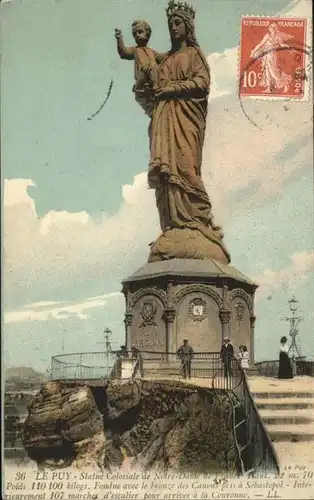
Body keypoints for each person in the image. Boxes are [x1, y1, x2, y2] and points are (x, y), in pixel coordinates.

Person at [145, 1, 229, 263]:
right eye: (170, 23)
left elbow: (202, 84)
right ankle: (173, 225)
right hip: (164, 122)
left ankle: (197, 222)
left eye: (178, 22)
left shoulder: (194, 55)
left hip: (186, 120)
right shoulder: (164, 59)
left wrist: (171, 90)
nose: (173, 27)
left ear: (188, 26)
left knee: (186, 168)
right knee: (167, 173)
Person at [115, 21, 165, 116]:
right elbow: (123, 52)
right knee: (151, 67)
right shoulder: (135, 50)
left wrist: (174, 51)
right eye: (134, 34)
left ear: (147, 33)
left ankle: (156, 87)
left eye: (140, 32)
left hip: (150, 80)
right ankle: (156, 87)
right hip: (141, 80)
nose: (137, 35)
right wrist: (119, 38)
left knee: (154, 68)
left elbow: (163, 57)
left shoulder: (151, 51)